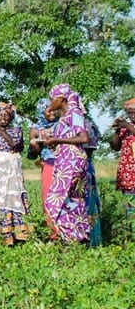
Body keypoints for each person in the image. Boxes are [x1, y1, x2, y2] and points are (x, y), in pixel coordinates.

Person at [42, 84, 90, 244]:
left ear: (61, 99)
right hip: (65, 161)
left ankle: (73, 235)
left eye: (52, 100)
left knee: (55, 199)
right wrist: (53, 143)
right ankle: (76, 238)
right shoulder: (63, 118)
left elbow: (84, 138)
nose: (50, 103)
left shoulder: (74, 113)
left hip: (73, 162)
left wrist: (57, 140)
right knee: (71, 201)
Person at [0, 102, 31, 246]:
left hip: (11, 170)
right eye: (0, 115)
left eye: (6, 115)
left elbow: (13, 144)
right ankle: (4, 235)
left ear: (11, 118)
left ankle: (18, 234)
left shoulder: (17, 130)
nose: (3, 118)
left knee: (13, 196)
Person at [28, 98, 58, 238]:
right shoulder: (35, 129)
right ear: (41, 112)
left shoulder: (62, 124)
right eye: (49, 111)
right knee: (49, 198)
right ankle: (53, 233)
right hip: (48, 165)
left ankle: (66, 232)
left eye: (54, 110)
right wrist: (36, 147)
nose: (53, 113)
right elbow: (32, 155)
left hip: (64, 164)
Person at [110, 99, 135, 231]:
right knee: (130, 207)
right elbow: (115, 146)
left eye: (134, 113)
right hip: (129, 175)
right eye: (130, 113)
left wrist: (128, 126)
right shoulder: (126, 128)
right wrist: (116, 130)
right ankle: (131, 233)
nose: (132, 116)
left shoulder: (129, 127)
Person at [83, 115, 103, 247]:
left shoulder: (87, 125)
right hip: (76, 168)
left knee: (88, 203)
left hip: (84, 167)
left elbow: (89, 149)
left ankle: (92, 240)